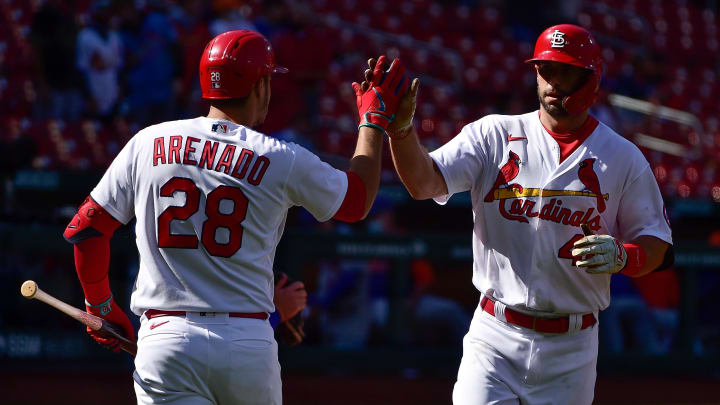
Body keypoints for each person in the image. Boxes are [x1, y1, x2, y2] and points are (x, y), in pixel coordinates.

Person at [63, 29, 408, 404]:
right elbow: (357, 202)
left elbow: (86, 229)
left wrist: (100, 305)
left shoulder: (147, 142)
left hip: (165, 338)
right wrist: (372, 122)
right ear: (260, 86)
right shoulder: (281, 156)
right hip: (248, 342)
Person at [362, 24, 674, 404]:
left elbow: (658, 245)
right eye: (546, 70)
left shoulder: (622, 156)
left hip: (572, 347)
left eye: (566, 70)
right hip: (495, 335)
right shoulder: (494, 134)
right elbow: (424, 183)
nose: (553, 82)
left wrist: (627, 255)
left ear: (591, 77)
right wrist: (402, 132)